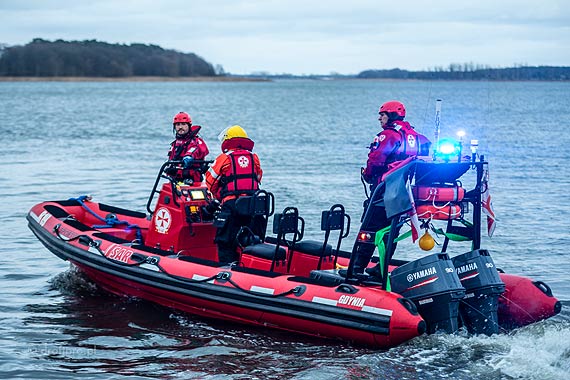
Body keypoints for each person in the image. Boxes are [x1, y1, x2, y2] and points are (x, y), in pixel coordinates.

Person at [205, 125, 263, 264]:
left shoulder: (225, 158)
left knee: (225, 242)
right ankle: (247, 267)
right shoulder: (254, 157)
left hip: (232, 206)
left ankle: (226, 273)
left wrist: (217, 196)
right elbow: (258, 177)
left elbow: (209, 182)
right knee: (248, 240)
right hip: (252, 206)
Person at [362, 101, 431, 193]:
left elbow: (376, 160)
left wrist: (367, 174)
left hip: (387, 185)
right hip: (408, 187)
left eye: (382, 115)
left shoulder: (389, 135)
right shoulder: (419, 137)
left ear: (391, 115)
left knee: (375, 206)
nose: (379, 118)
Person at [167, 112, 209, 184]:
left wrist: (189, 156)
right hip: (176, 180)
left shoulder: (196, 141)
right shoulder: (174, 144)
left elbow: (195, 150)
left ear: (189, 126)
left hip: (192, 180)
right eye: (178, 124)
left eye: (183, 124)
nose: (180, 127)